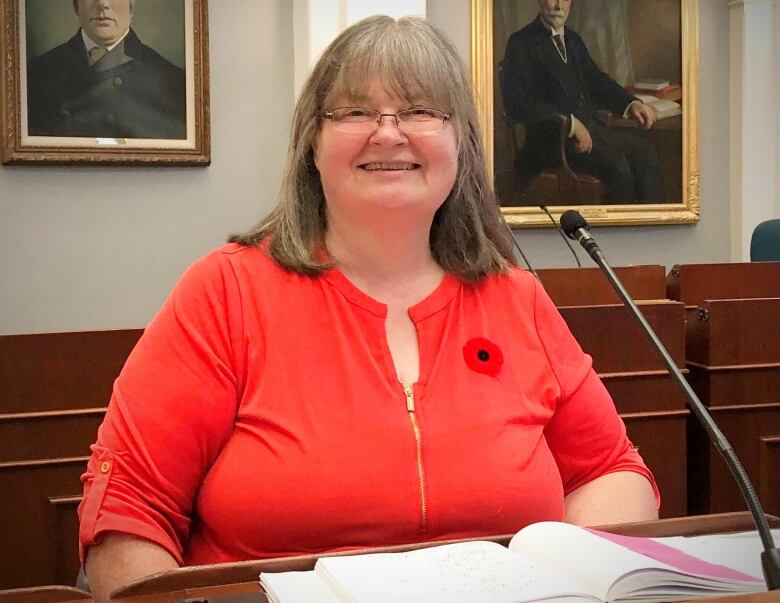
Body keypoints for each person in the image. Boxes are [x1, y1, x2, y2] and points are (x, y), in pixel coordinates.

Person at [78, 15, 659, 602]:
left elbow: (610, 470)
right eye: (355, 112)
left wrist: (581, 581)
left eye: (420, 110)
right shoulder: (226, 292)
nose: (388, 134)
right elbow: (129, 507)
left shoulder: (517, 298)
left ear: (461, 141)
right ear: (312, 141)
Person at [501, 0, 664, 203]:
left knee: (644, 151)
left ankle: (651, 228)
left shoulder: (573, 39)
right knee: (618, 168)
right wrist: (568, 123)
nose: (559, 6)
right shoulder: (521, 43)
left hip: (593, 130)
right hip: (552, 142)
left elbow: (596, 80)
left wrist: (631, 103)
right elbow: (517, 104)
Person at [26, 0, 186, 139]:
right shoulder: (34, 74)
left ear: (131, 6)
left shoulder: (175, 83)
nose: (102, 4)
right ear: (76, 5)